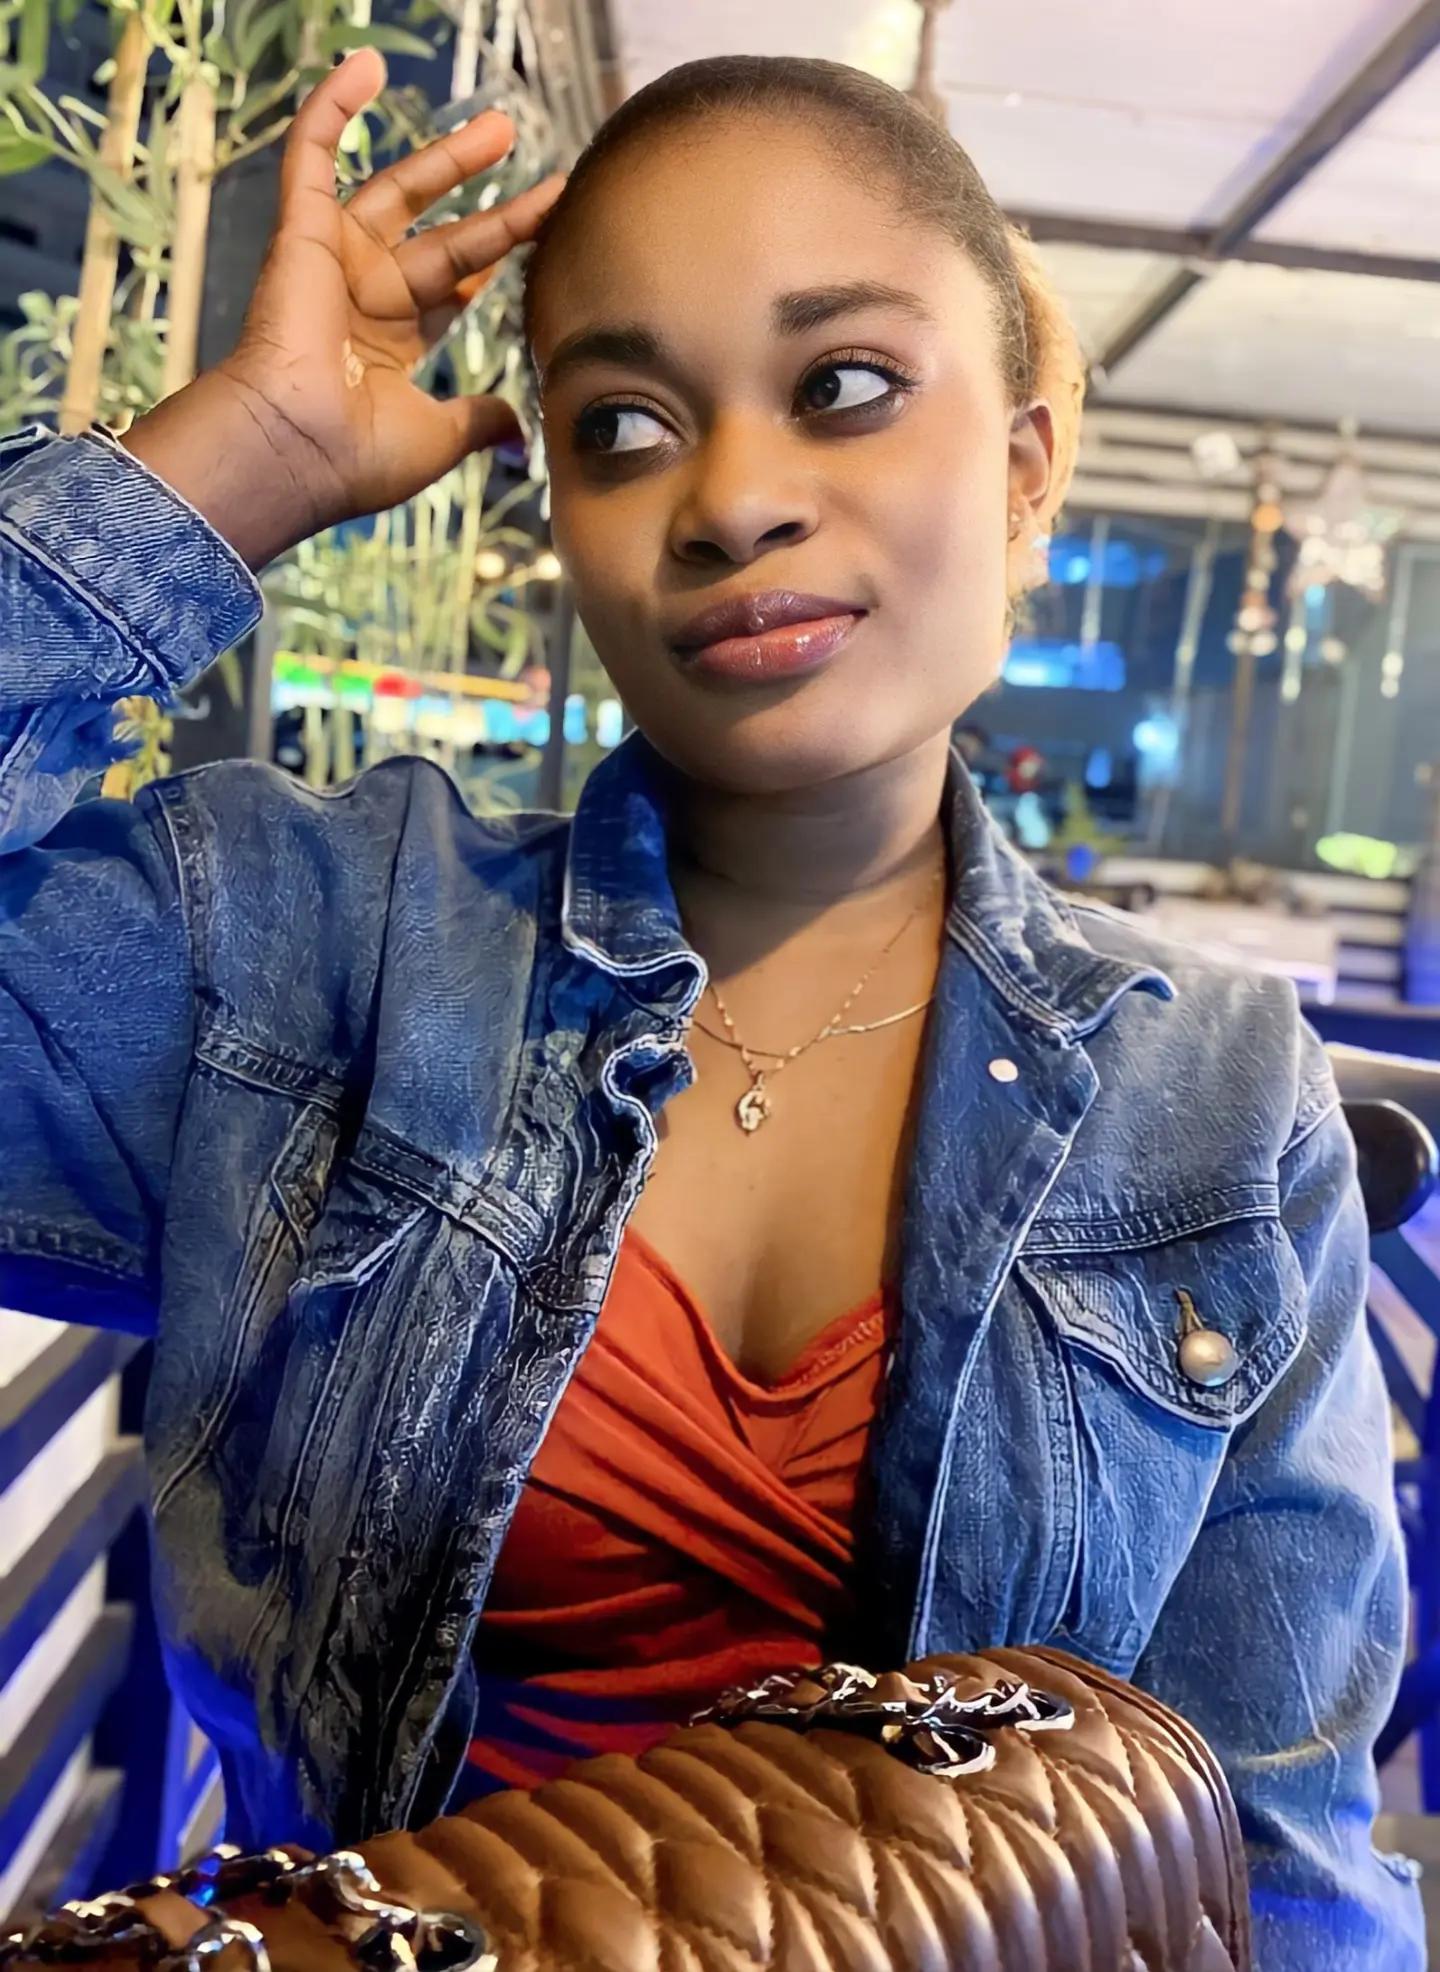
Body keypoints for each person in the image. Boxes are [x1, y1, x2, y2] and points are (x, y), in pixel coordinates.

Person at [0, 46, 1422, 1970]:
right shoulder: (318, 941)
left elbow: (1279, 1872)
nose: (734, 500)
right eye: (624, 424)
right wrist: (229, 468)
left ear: (1024, 462)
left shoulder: (1219, 1099)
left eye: (843, 386)